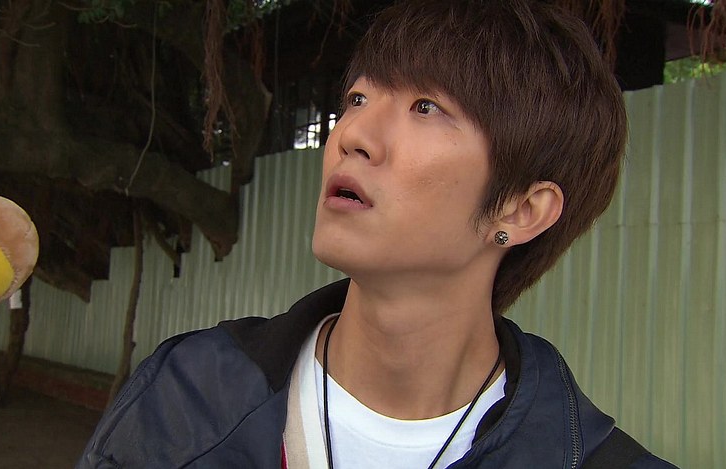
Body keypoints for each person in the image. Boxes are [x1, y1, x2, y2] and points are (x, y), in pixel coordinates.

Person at [77, 0, 677, 467]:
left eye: (425, 107)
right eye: (358, 96)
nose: (353, 134)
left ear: (521, 210)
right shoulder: (185, 396)